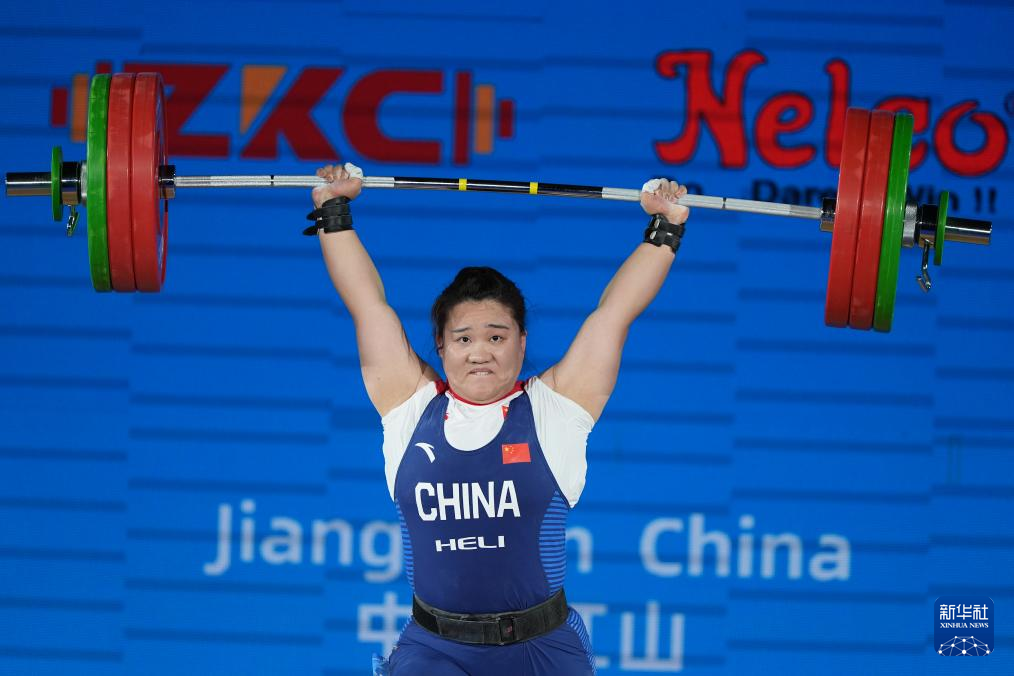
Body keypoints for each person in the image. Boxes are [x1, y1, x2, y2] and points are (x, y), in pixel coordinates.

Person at [309, 163, 689, 675]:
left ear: (521, 342)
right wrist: (334, 210)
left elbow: (614, 314)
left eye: (496, 336)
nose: (480, 352)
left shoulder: (557, 408)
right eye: (464, 338)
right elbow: (367, 305)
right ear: (441, 345)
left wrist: (665, 228)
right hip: (435, 651)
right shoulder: (408, 405)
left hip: (541, 651)